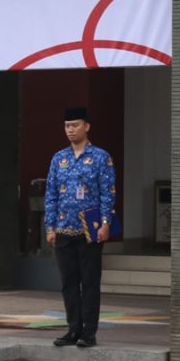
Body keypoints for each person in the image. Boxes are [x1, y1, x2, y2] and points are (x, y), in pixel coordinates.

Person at [45, 107, 115, 348]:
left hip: (90, 228)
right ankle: (73, 328)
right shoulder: (59, 158)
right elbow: (51, 194)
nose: (70, 130)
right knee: (68, 282)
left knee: (90, 281)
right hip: (63, 228)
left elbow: (108, 193)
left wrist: (106, 223)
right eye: (67, 126)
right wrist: (50, 226)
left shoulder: (100, 157)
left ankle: (89, 332)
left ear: (87, 126)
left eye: (75, 125)